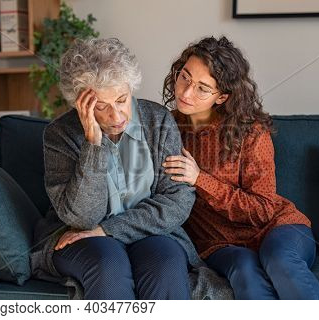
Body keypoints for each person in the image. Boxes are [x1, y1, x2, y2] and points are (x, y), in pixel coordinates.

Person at [30, 37, 201, 300]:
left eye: (122, 100)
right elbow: (82, 219)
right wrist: (93, 145)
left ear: (131, 89)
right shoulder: (60, 135)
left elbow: (177, 201)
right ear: (80, 104)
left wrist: (110, 229)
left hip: (151, 231)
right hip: (80, 238)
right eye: (101, 107)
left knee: (165, 265)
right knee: (108, 264)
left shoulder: (158, 121)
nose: (117, 117)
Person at [162, 36, 319, 300]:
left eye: (202, 88)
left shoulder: (251, 132)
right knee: (245, 271)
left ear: (222, 97)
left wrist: (199, 179)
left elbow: (263, 209)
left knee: (281, 262)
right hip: (218, 243)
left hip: (279, 228)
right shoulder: (166, 127)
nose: (185, 92)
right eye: (185, 77)